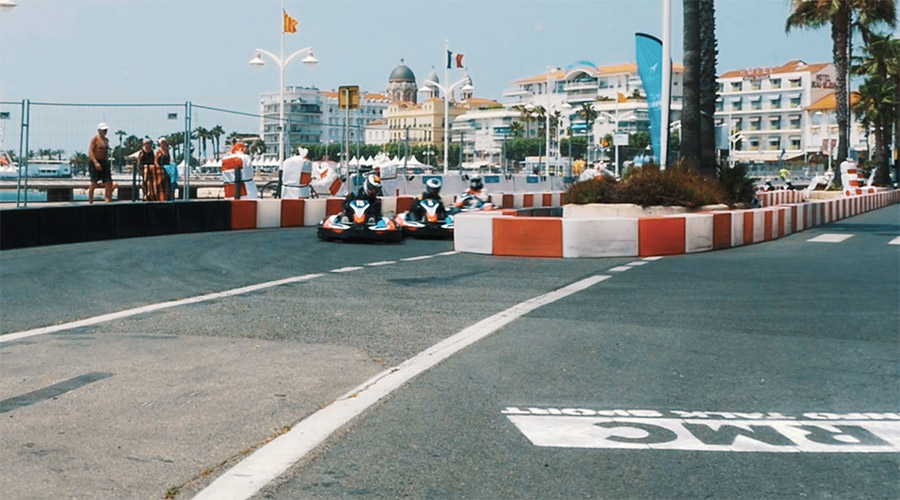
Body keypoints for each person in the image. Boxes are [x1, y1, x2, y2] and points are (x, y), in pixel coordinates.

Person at [87, 123, 117, 203]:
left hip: (104, 162)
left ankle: (107, 199)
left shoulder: (106, 140)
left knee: (109, 182)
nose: (105, 132)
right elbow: (90, 151)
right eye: (103, 130)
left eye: (106, 130)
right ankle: (90, 200)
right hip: (96, 161)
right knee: (93, 182)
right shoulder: (95, 139)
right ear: (99, 131)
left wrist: (107, 162)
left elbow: (106, 152)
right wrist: (95, 162)